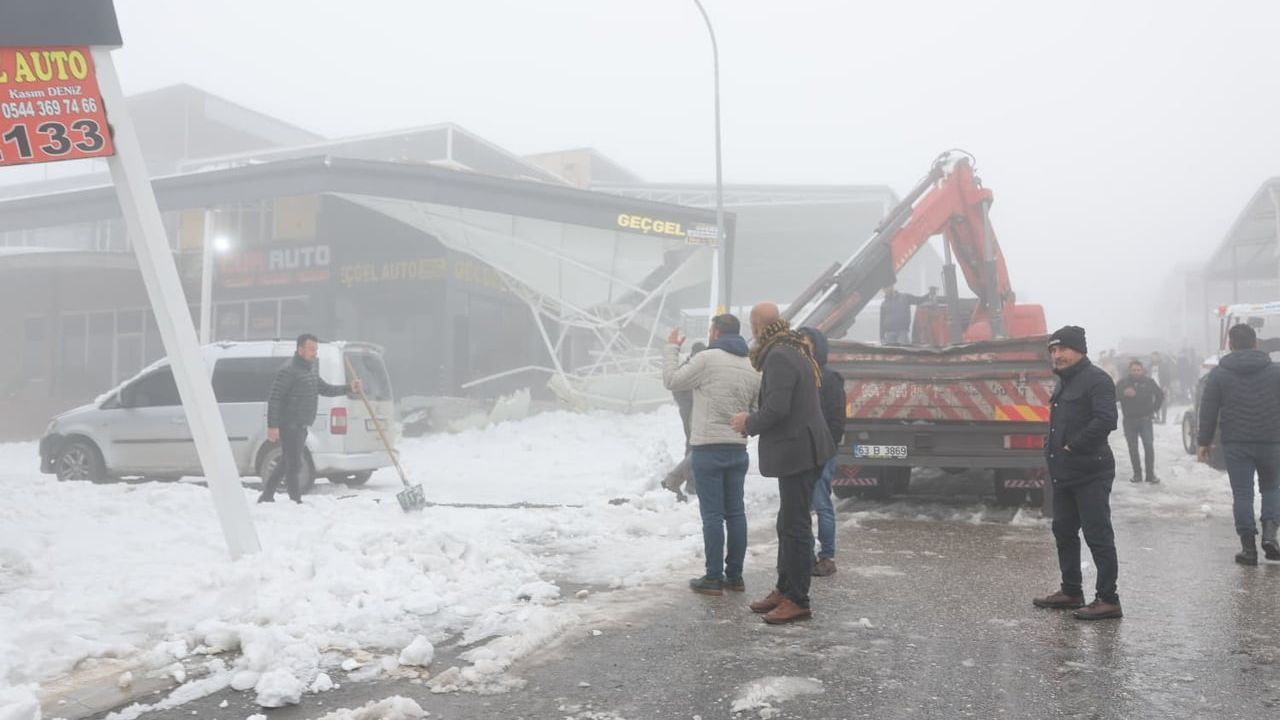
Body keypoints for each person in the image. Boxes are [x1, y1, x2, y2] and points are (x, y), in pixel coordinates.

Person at [730, 303, 835, 624]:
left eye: (752, 325)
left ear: (756, 325)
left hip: (798, 452)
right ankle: (784, 588)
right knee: (787, 523)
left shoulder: (778, 355)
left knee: (796, 527)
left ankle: (798, 599)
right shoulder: (793, 347)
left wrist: (748, 421)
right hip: (805, 449)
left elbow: (777, 407)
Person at [662, 315, 760, 595]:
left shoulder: (707, 358)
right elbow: (756, 408)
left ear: (716, 331)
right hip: (737, 449)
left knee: (713, 516)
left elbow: (672, 380)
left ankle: (713, 577)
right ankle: (735, 576)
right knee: (736, 513)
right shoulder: (752, 365)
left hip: (707, 449)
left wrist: (671, 349)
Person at [1033, 325, 1122, 621]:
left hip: (1090, 471)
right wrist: (1052, 447)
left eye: (1062, 349)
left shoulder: (1097, 380)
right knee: (1064, 532)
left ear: (1079, 350)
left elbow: (1107, 420)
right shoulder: (1065, 382)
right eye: (1053, 350)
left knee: (1098, 535)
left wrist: (1073, 446)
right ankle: (1071, 591)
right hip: (1063, 472)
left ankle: (1108, 599)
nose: (1057, 355)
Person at [1196, 323, 1280, 565]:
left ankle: (1249, 549)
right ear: (1256, 343)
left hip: (1236, 442)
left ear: (1230, 345)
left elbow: (1208, 410)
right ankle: (1271, 536)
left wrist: (1204, 441)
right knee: (1272, 488)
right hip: (1272, 440)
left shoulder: (1219, 373)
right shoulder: (1275, 371)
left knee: (1242, 493)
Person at [261, 334, 360, 503]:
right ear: (300, 350)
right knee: (294, 465)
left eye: (316, 349)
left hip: (302, 424)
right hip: (289, 423)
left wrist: (348, 388)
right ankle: (295, 500)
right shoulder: (288, 370)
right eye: (312, 349)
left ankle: (267, 495)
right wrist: (273, 426)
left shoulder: (311, 368)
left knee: (287, 461)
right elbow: (275, 398)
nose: (315, 353)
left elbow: (325, 389)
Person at [798, 326, 846, 577]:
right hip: (800, 451)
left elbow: (838, 418)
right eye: (800, 344)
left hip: (823, 450)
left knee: (821, 503)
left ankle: (827, 556)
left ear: (818, 346)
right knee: (801, 507)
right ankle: (804, 555)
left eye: (808, 344)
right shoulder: (798, 375)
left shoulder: (829, 378)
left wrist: (828, 447)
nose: (804, 349)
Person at [661, 341, 707, 501]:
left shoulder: (688, 367)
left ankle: (688, 482)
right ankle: (688, 483)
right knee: (696, 447)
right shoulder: (695, 369)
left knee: (692, 445)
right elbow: (676, 386)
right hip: (692, 413)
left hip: (689, 412)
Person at [1115, 359, 1164, 484]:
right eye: (1133, 370)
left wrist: (1154, 409)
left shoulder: (1149, 382)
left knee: (1148, 446)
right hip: (1129, 420)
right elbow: (1112, 397)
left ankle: (1150, 474)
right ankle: (1137, 474)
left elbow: (1160, 395)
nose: (1136, 372)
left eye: (1138, 370)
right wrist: (1123, 394)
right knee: (1133, 448)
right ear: (1129, 371)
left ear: (1142, 370)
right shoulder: (1123, 383)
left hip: (1145, 420)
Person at [1150, 352, 1172, 423]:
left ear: (1159, 357)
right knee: (1154, 402)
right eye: (1153, 357)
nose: (1154, 358)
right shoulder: (1149, 366)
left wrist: (1166, 386)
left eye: (1156, 356)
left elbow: (1168, 376)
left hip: (1162, 386)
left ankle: (1163, 419)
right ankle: (1157, 417)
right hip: (1152, 387)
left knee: (1163, 403)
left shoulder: (1164, 366)